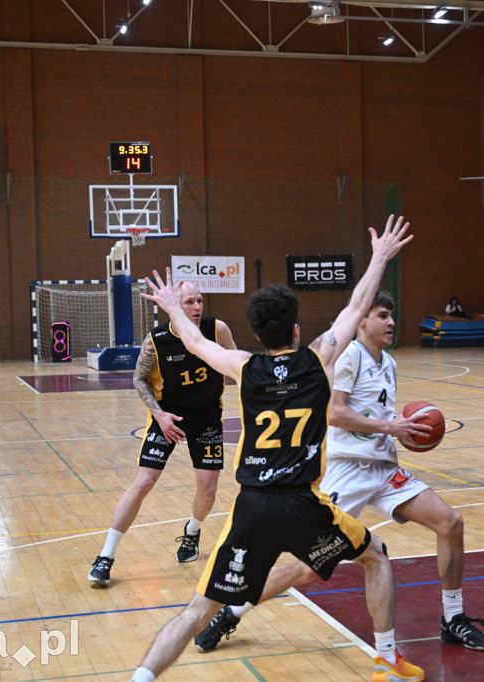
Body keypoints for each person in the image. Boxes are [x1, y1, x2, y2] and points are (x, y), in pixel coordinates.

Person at [129, 216, 424, 682]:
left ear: (257, 332)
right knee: (376, 555)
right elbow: (356, 305)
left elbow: (192, 339)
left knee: (196, 610)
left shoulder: (243, 367)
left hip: (250, 509)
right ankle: (387, 660)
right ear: (295, 328)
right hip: (305, 505)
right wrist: (381, 257)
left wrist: (172, 306)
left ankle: (141, 677)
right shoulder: (318, 359)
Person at [194, 290, 484, 654]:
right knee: (307, 567)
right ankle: (231, 611)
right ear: (362, 321)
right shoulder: (347, 357)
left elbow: (378, 413)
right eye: (383, 315)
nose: (391, 322)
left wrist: (401, 426)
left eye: (391, 315)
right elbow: (333, 413)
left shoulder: (388, 362)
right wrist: (390, 428)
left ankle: (453, 619)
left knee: (451, 523)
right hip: (346, 469)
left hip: (383, 469)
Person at [87, 281, 236, 586]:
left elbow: (238, 366)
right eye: (190, 303)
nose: (197, 308)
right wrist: (159, 414)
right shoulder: (157, 340)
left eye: (200, 301)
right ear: (173, 306)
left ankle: (192, 533)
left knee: (208, 487)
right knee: (144, 481)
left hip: (207, 417)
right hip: (167, 416)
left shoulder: (217, 329)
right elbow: (139, 378)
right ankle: (106, 556)